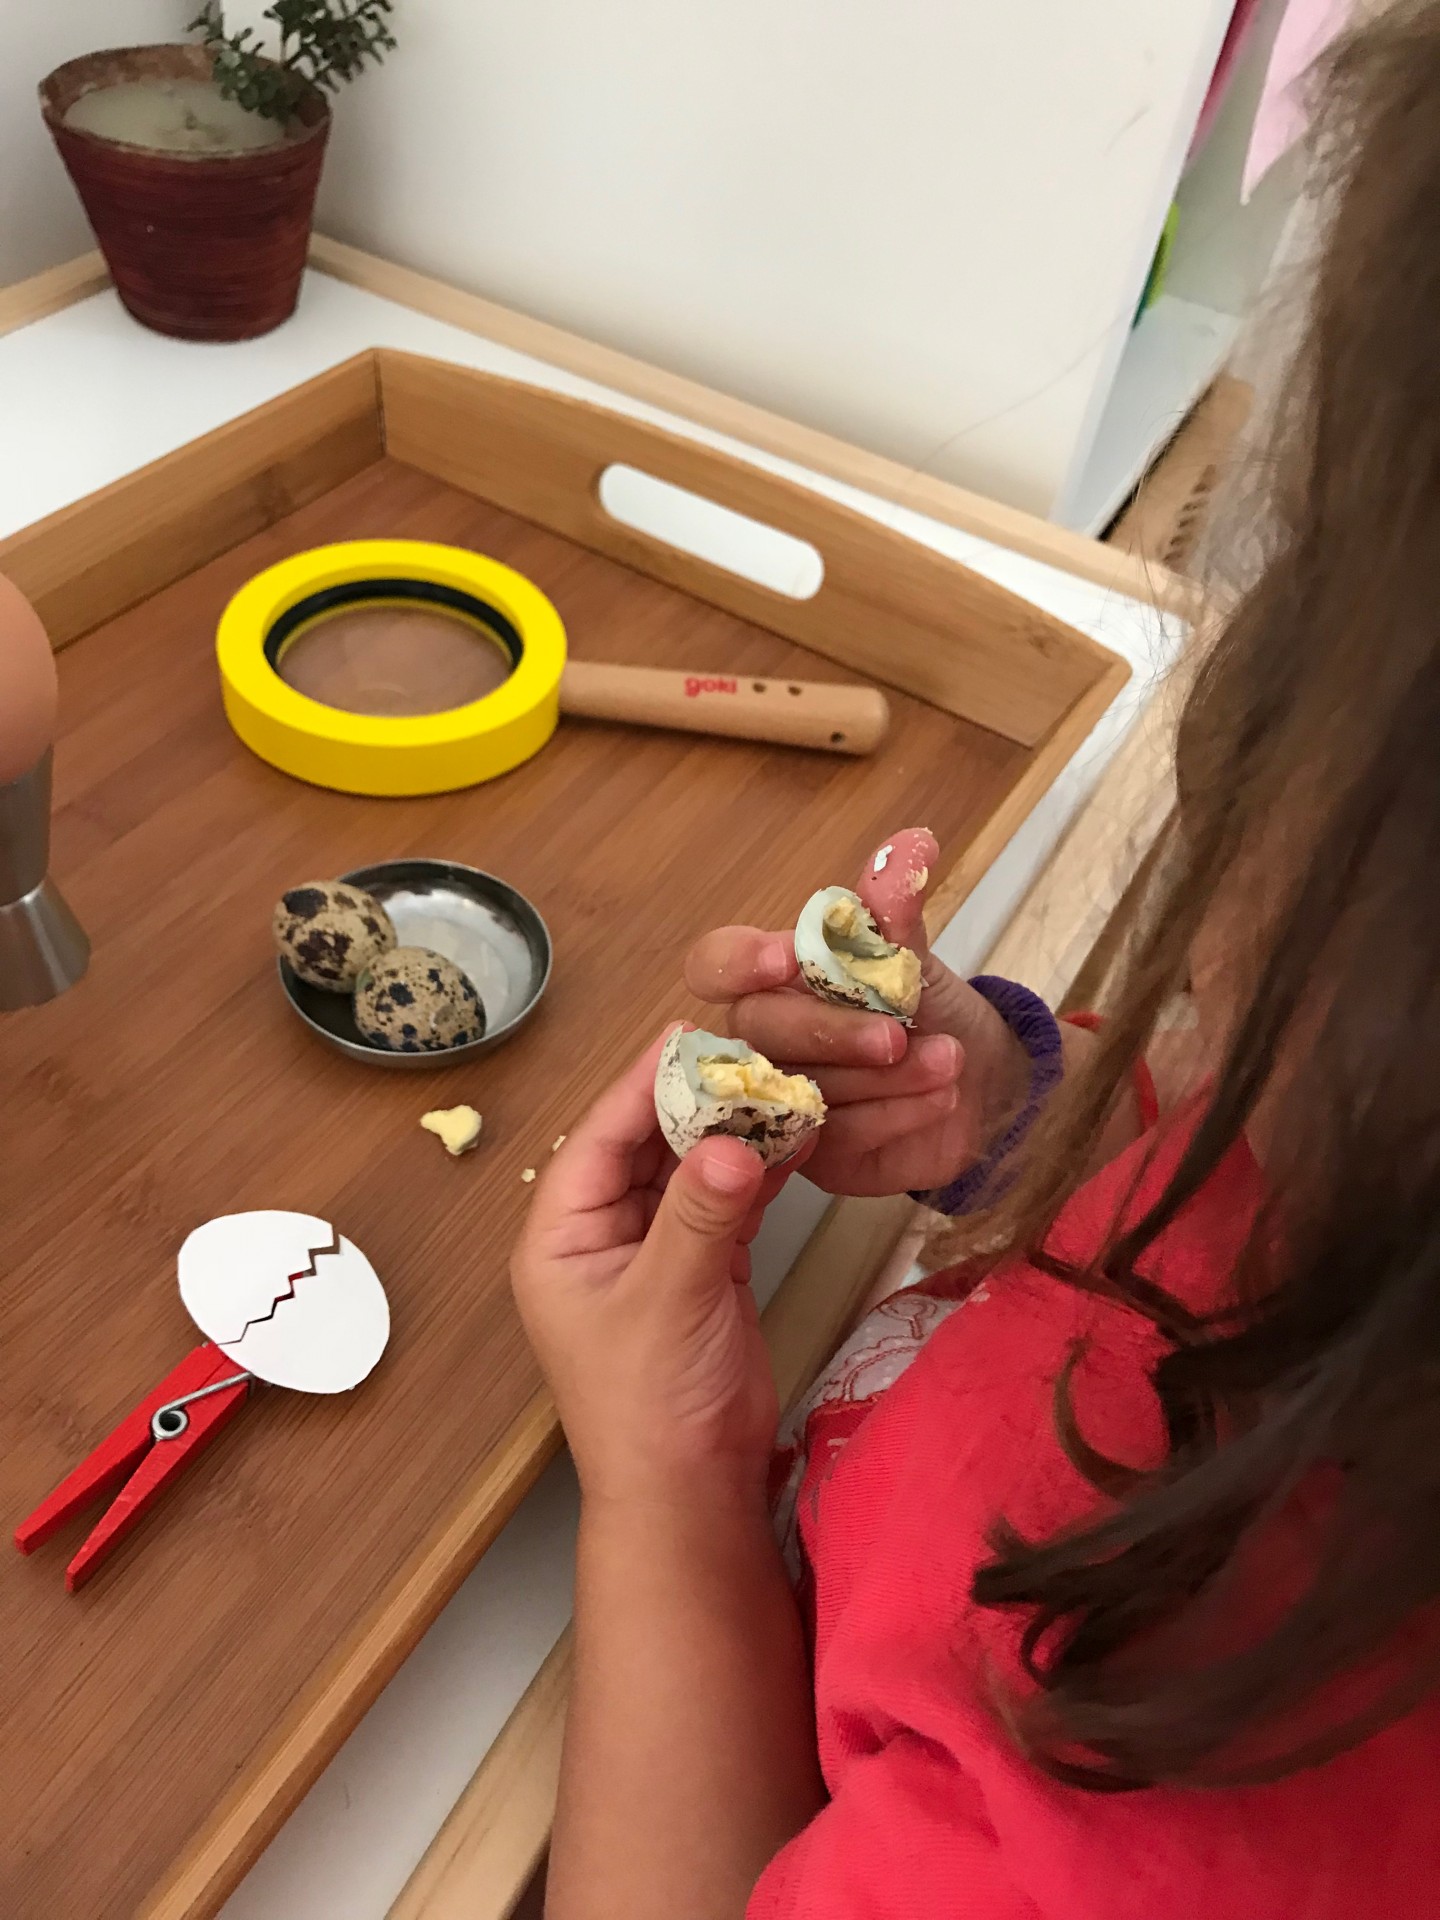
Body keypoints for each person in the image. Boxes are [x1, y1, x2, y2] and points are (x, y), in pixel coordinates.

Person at [510, 5, 1440, 1913]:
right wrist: (1013, 1102)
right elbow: (1256, 1145)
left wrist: (668, 1485)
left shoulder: (1157, 1825)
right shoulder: (1364, 1138)